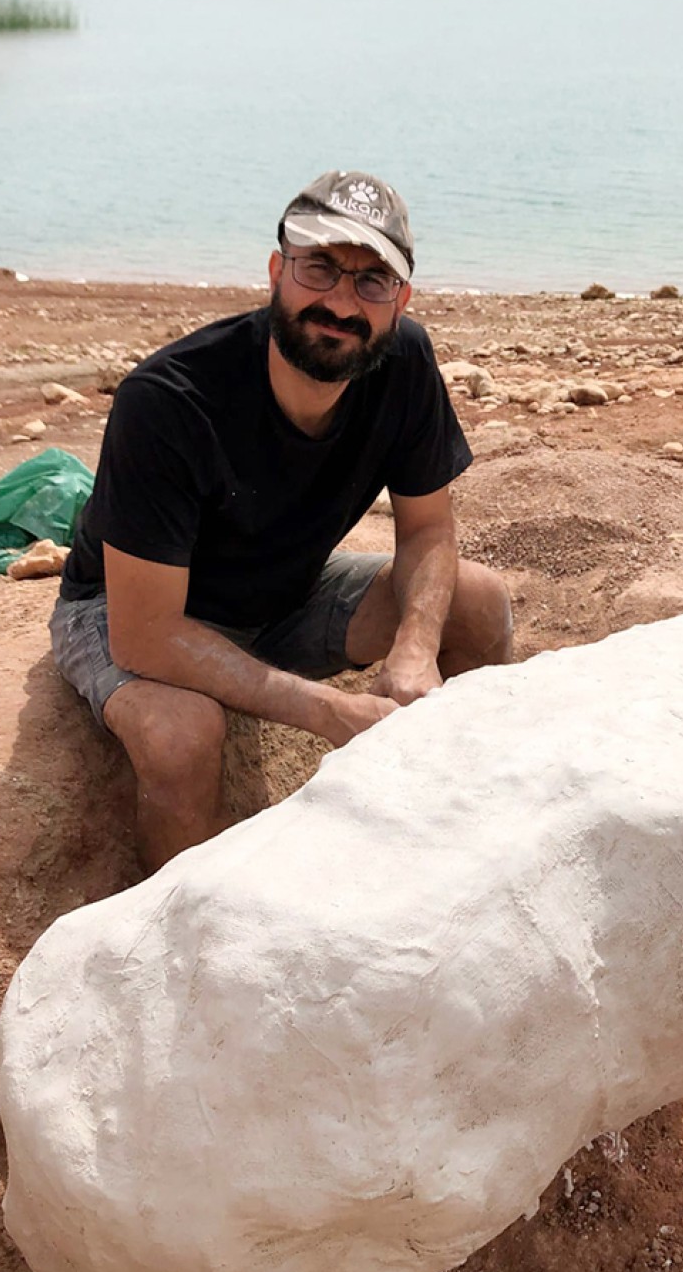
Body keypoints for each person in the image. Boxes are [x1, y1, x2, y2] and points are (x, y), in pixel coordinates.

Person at [51, 170, 512, 874]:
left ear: (401, 300)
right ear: (277, 271)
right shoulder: (168, 402)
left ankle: (450, 854)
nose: (341, 301)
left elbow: (425, 531)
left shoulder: (406, 363)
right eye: (320, 268)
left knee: (476, 605)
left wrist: (416, 652)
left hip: (285, 593)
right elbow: (146, 636)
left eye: (371, 281)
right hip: (128, 608)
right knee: (182, 734)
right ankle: (173, 945)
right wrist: (331, 712)